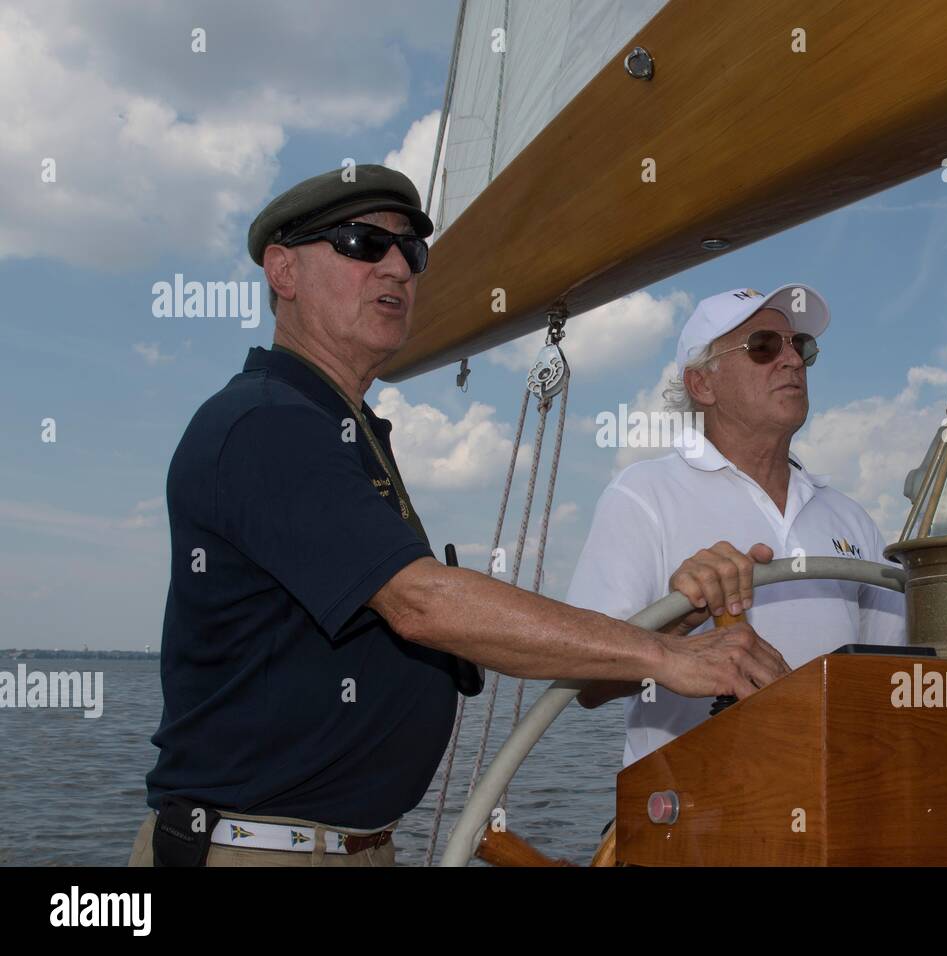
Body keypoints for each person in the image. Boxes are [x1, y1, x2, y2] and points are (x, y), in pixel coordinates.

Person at [128, 165, 788, 867]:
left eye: (410, 253)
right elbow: (421, 603)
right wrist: (665, 656)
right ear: (282, 271)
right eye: (362, 244)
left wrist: (667, 627)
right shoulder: (266, 423)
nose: (397, 267)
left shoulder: (343, 432)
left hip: (348, 849)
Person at [567, 285, 906, 766]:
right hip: (688, 816)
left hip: (831, 798)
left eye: (801, 347)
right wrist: (683, 620)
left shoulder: (850, 517)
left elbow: (888, 680)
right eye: (764, 346)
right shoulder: (643, 495)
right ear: (702, 385)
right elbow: (586, 682)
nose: (792, 361)